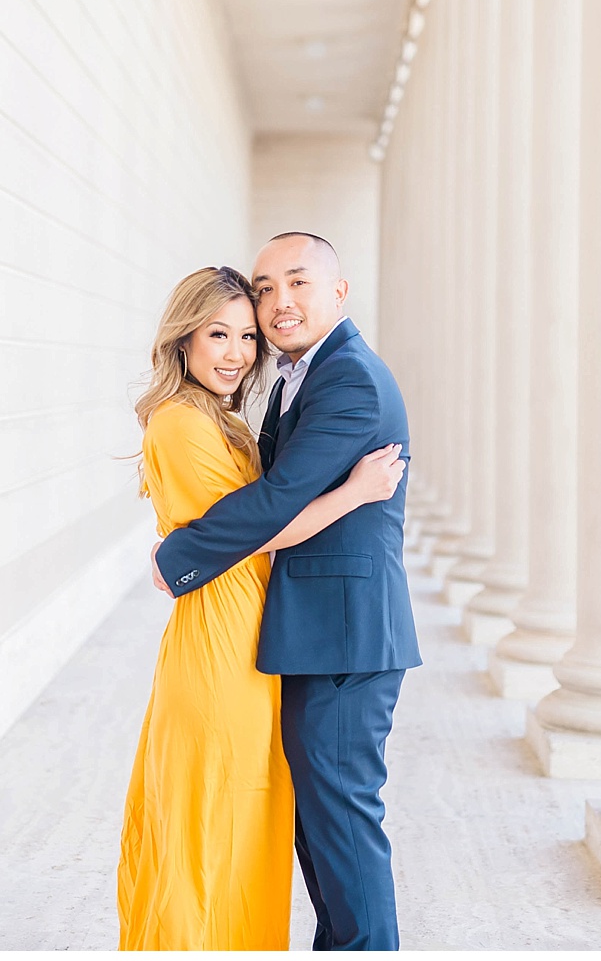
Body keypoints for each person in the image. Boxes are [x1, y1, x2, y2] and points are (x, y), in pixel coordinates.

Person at [118, 265, 405, 951]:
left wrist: (176, 554)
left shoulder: (221, 419)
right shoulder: (182, 423)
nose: (236, 352)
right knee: (210, 822)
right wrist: (354, 492)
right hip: (220, 639)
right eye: (218, 333)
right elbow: (255, 528)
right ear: (182, 339)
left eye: (245, 336)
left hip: (252, 632)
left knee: (241, 824)